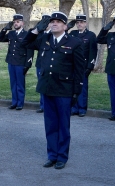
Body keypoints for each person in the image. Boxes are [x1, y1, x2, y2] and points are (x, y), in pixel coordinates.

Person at [22, 12, 85, 170]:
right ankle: (52, 155)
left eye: (58, 22)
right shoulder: (44, 39)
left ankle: (62, 157)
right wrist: (37, 29)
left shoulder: (74, 42)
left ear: (65, 26)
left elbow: (79, 70)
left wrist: (77, 91)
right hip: (47, 87)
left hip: (64, 90)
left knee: (63, 125)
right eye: (52, 22)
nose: (54, 24)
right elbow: (25, 43)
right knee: (50, 124)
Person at [0, 14, 34, 110]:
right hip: (11, 62)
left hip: (21, 62)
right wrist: (5, 29)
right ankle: (14, 102)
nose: (15, 24)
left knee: (20, 84)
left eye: (18, 22)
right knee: (13, 83)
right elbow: (0, 38)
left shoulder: (26, 34)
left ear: (22, 23)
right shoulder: (11, 34)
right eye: (14, 22)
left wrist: (28, 64)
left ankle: (20, 103)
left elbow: (29, 50)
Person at [68, 14, 97, 117]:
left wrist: (90, 66)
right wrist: (67, 27)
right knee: (72, 87)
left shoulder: (90, 35)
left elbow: (93, 52)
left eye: (81, 22)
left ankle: (82, 108)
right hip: (72, 65)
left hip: (83, 66)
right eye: (77, 22)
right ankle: (74, 108)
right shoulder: (72, 33)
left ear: (85, 23)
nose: (79, 24)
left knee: (82, 87)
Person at [35, 14, 51, 113]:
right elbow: (34, 43)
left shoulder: (52, 34)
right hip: (40, 63)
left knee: (49, 86)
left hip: (49, 64)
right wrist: (38, 29)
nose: (45, 24)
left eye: (46, 22)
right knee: (41, 85)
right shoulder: (40, 34)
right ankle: (42, 105)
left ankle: (48, 106)